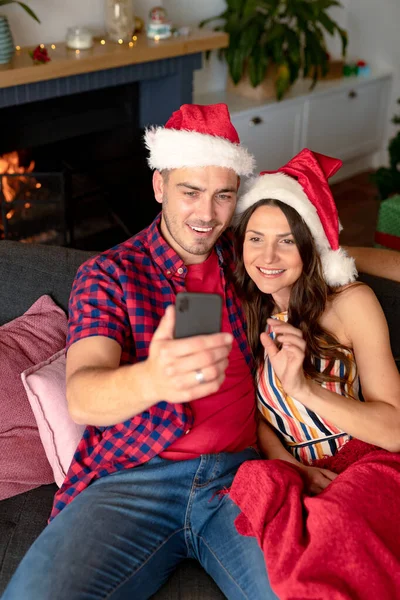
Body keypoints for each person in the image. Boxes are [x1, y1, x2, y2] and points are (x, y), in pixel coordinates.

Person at [2, 103, 280, 600]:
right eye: (190, 192)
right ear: (159, 186)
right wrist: (155, 378)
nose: (206, 214)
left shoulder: (249, 255)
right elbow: (84, 394)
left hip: (240, 478)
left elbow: (315, 250)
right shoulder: (109, 275)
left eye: (223, 196)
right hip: (134, 479)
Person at [233, 148, 400, 495]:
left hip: (363, 463)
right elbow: (252, 412)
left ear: (311, 247)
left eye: (287, 241)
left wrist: (303, 388)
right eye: (255, 239)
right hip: (291, 473)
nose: (268, 257)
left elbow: (394, 431)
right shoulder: (245, 308)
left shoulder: (349, 304)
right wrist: (290, 465)